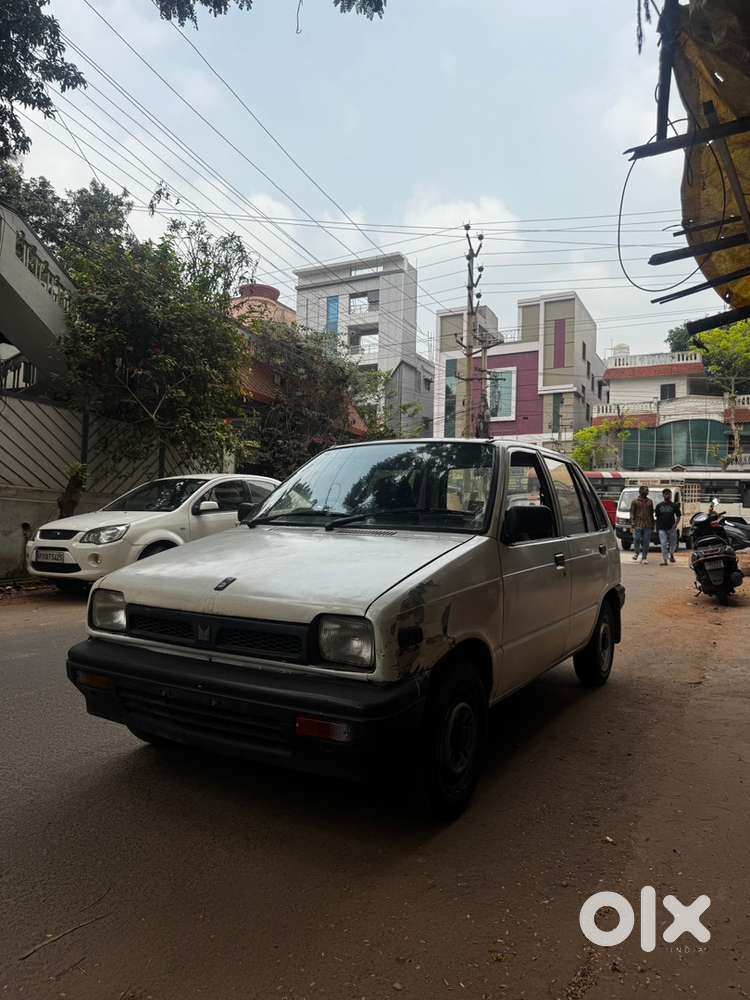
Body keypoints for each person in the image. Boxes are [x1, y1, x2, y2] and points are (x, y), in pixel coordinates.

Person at [654, 487, 681, 565]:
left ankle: (671, 554)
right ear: (663, 495)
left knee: (673, 543)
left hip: (671, 528)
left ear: (671, 495)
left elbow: (678, 516)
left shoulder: (674, 506)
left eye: (668, 494)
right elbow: (657, 517)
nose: (667, 496)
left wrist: (675, 524)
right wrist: (657, 528)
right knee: (663, 544)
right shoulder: (659, 506)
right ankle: (665, 560)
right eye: (665, 494)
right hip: (662, 528)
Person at [630, 485, 655, 564]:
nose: (647, 492)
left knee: (646, 541)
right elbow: (632, 512)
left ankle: (644, 557)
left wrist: (653, 524)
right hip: (638, 523)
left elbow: (651, 513)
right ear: (640, 491)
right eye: (646, 490)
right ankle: (636, 552)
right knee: (637, 539)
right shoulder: (635, 501)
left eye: (647, 490)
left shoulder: (650, 501)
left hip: (648, 524)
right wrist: (632, 521)